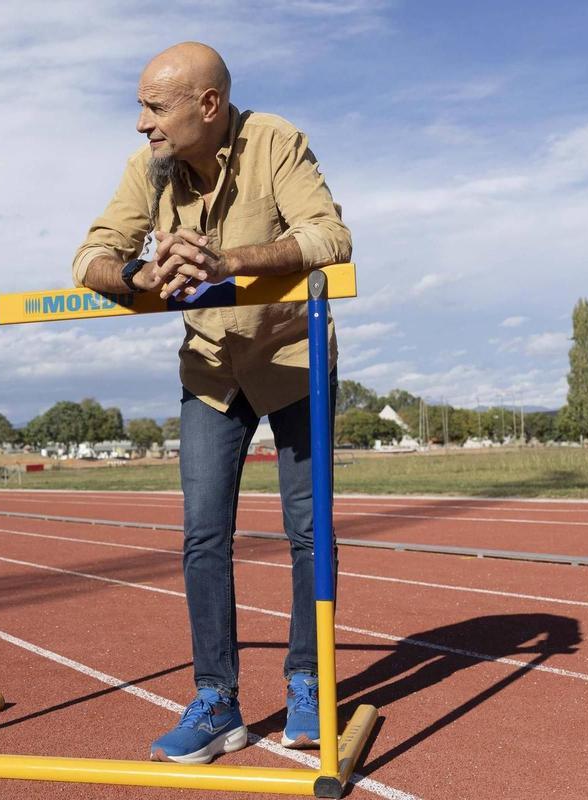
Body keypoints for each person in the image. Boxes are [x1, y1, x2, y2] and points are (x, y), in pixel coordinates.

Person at [72, 42, 350, 764]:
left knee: (308, 529)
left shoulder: (276, 141)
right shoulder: (149, 168)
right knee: (201, 536)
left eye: (154, 107)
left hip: (292, 360)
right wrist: (140, 274)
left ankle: (309, 680)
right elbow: (89, 257)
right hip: (211, 370)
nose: (141, 124)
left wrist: (227, 263)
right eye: (140, 106)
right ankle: (216, 700)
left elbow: (330, 237)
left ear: (209, 105)